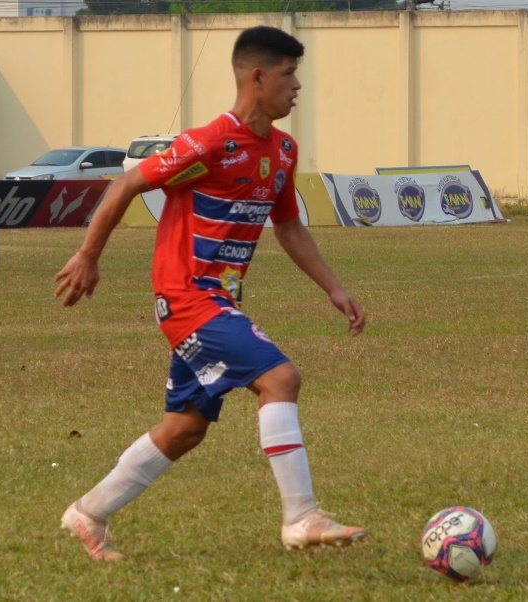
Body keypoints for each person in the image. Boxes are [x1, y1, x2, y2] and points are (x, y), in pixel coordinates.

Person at [53, 25, 367, 561]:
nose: (297, 87)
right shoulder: (210, 144)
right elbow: (128, 184)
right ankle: (301, 516)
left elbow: (288, 226)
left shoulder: (283, 151)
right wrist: (88, 255)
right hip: (187, 299)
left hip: (219, 303)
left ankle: (88, 513)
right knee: (281, 378)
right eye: (290, 75)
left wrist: (334, 289)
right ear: (258, 77)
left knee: (185, 428)